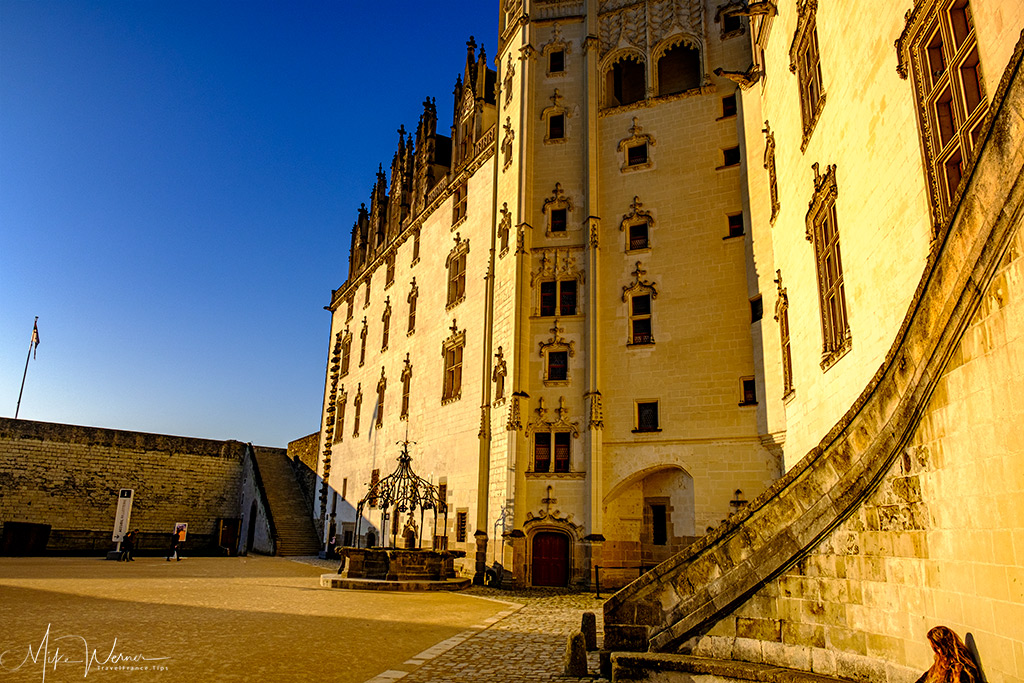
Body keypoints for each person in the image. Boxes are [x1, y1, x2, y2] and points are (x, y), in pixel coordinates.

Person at [915, 626, 980, 683]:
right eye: (934, 648)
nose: (937, 652)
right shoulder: (941, 660)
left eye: (938, 648)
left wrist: (957, 678)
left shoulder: (961, 665)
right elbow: (926, 676)